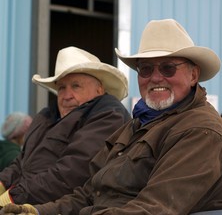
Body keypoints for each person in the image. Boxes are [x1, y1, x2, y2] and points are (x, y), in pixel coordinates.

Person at [0, 19, 222, 215]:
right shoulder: (139, 124)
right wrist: (37, 211)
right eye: (146, 69)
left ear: (193, 76)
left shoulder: (199, 130)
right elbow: (88, 193)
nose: (156, 77)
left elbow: (153, 208)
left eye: (168, 67)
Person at [0, 46, 131, 206]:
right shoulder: (46, 116)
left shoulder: (108, 115)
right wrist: (2, 184)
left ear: (99, 89)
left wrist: (11, 199)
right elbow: (22, 162)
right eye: (61, 87)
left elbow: (71, 173)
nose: (67, 95)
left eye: (76, 86)